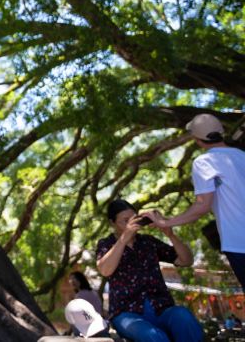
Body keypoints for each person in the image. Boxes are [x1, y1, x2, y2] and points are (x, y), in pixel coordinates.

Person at [142, 114, 245, 290]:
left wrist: (165, 222)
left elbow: (202, 205)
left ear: (198, 140)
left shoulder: (204, 162)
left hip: (239, 242)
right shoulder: (241, 155)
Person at [95, 199, 202, 342]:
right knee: (153, 336)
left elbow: (186, 260)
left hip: (161, 307)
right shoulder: (106, 244)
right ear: (112, 223)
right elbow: (105, 270)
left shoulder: (148, 241)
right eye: (124, 221)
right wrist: (124, 238)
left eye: (133, 219)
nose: (131, 224)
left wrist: (170, 234)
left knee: (184, 316)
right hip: (127, 313)